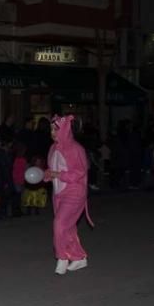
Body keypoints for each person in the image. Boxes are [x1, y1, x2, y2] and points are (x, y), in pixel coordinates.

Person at [45, 116, 92, 276]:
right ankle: (79, 258)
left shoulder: (75, 148)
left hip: (74, 192)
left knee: (59, 224)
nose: (52, 133)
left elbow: (80, 171)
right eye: (51, 129)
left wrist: (59, 174)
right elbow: (53, 169)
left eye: (55, 129)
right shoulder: (53, 148)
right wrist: (48, 175)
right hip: (58, 193)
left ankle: (62, 257)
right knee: (68, 227)